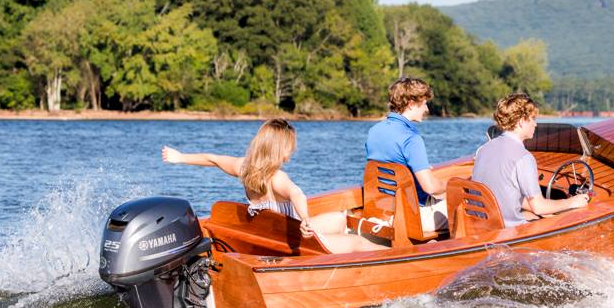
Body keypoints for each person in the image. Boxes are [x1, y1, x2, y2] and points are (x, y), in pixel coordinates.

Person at [162, 118, 383, 253]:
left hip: (274, 235)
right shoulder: (277, 178)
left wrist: (180, 157)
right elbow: (297, 194)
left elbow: (213, 159)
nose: (293, 150)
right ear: (280, 148)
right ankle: (396, 257)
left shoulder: (244, 167)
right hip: (294, 241)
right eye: (290, 146)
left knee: (339, 218)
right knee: (357, 242)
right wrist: (306, 219)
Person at [472, 93, 589, 227]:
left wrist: (548, 210)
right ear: (521, 121)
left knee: (536, 215)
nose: (535, 124)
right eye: (532, 119)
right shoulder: (524, 158)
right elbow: (539, 207)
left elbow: (505, 192)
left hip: (482, 224)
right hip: (506, 231)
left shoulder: (484, 149)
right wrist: (572, 202)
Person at [365, 77, 448, 232]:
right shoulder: (411, 138)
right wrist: (450, 186)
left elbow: (390, 165)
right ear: (410, 104)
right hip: (411, 216)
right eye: (424, 104)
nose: (427, 109)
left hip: (382, 210)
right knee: (467, 208)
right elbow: (430, 187)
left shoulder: (374, 131)